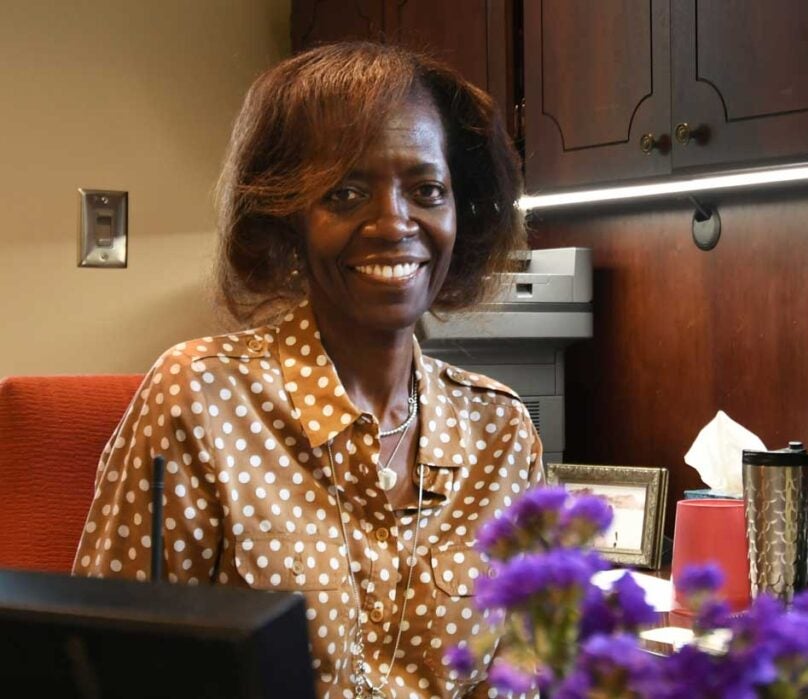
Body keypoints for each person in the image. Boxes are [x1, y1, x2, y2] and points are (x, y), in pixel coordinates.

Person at [74, 42, 543, 699]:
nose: (393, 222)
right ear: (289, 218)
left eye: (426, 190)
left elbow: (522, 676)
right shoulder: (199, 400)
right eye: (347, 192)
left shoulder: (503, 434)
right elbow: (103, 667)